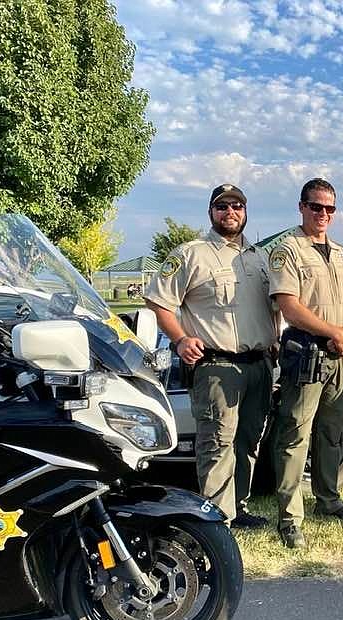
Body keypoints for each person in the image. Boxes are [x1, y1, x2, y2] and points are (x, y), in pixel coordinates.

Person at [145, 184, 276, 528]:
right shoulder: (191, 254)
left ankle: (240, 506)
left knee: (249, 440)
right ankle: (218, 518)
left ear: (245, 212)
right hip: (216, 366)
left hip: (258, 364)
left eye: (236, 206)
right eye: (222, 207)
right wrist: (179, 339)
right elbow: (159, 302)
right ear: (211, 213)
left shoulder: (259, 257)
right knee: (217, 442)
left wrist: (274, 337)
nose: (229, 213)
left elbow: (272, 304)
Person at [268, 179, 343, 549]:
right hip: (307, 351)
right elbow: (289, 305)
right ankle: (290, 517)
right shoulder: (287, 250)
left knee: (332, 429)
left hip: (341, 350)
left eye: (329, 208)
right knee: (295, 434)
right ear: (302, 207)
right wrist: (333, 332)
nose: (322, 214)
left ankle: (329, 499)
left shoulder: (341, 253)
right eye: (315, 207)